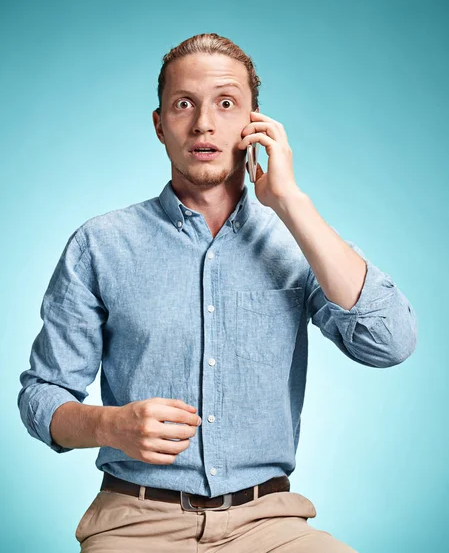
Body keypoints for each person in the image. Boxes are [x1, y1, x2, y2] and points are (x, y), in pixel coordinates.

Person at [17, 33, 417, 553]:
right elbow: (41, 393)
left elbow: (390, 343)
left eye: (226, 103)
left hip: (269, 524)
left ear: (256, 123)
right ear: (160, 125)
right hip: (135, 523)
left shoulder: (299, 242)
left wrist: (291, 201)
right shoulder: (101, 244)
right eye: (184, 104)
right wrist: (110, 425)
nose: (204, 123)